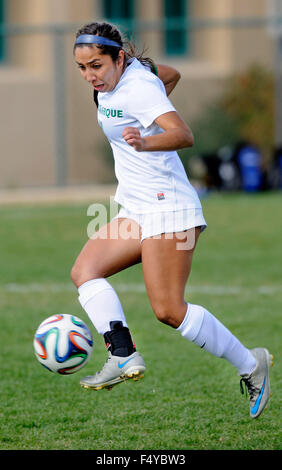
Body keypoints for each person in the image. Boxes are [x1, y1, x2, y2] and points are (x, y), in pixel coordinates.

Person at [71, 21, 273, 419]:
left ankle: (252, 364)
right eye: (81, 67)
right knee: (85, 270)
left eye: (96, 65)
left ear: (119, 58)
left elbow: (182, 134)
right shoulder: (126, 82)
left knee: (168, 310)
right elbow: (172, 74)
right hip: (137, 208)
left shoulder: (139, 87)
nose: (89, 75)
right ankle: (123, 354)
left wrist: (147, 139)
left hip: (170, 209)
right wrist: (146, 100)